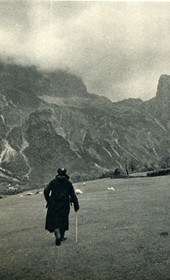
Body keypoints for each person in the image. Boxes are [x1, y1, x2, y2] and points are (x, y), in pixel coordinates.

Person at [44, 168, 79, 246]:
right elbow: (73, 195)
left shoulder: (53, 181)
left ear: (58, 173)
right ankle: (62, 236)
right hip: (64, 204)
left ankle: (57, 232)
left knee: (55, 219)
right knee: (63, 219)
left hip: (54, 203)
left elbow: (46, 191)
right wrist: (76, 205)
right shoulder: (68, 182)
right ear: (65, 173)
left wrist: (48, 200)